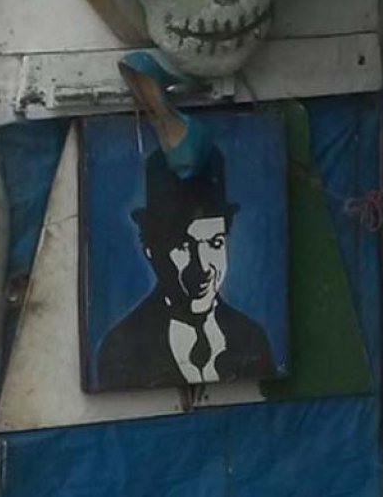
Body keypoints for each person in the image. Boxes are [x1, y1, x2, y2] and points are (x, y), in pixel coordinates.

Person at [96, 148, 273, 390]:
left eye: (215, 243)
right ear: (151, 249)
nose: (203, 268)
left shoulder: (251, 339)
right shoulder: (122, 348)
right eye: (183, 246)